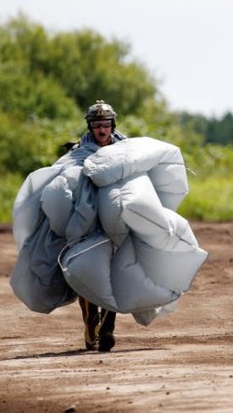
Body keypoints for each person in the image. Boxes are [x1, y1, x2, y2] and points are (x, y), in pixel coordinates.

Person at [75, 100, 124, 352]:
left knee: (117, 274)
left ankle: (108, 329)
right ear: (90, 127)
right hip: (87, 223)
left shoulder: (127, 150)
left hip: (115, 222)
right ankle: (90, 321)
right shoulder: (77, 153)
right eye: (96, 125)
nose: (102, 130)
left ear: (112, 125)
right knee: (87, 275)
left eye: (106, 124)